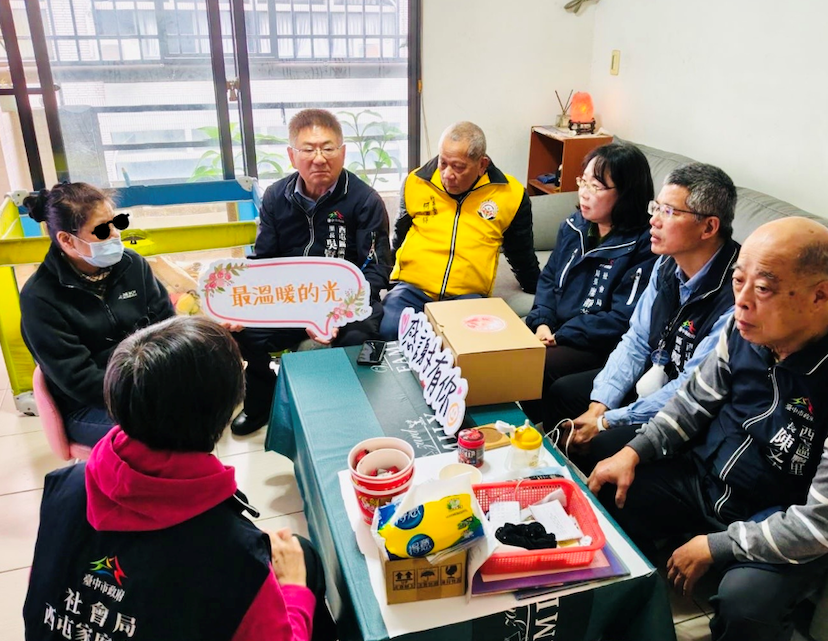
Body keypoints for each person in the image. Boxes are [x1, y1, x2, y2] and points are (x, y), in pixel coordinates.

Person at [588, 218, 828, 641]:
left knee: (748, 601)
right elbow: (691, 403)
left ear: (820, 295)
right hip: (704, 477)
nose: (743, 300)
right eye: (738, 281)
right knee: (607, 475)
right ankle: (617, 621)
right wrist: (632, 452)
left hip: (774, 514)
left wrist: (716, 546)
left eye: (765, 288)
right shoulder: (742, 329)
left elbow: (824, 526)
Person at [23, 316, 337, 641]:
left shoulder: (62, 485)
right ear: (227, 409)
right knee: (302, 558)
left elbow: (42, 595)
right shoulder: (233, 552)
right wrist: (294, 588)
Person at [545, 163, 739, 470]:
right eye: (656, 207)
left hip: (691, 408)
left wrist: (608, 421)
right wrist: (599, 406)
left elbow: (691, 387)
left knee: (604, 442)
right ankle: (554, 480)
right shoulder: (666, 263)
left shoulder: (736, 293)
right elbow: (636, 339)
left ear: (709, 227)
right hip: (653, 376)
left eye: (669, 212)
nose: (654, 220)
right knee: (564, 394)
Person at [230, 108, 391, 435]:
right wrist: (243, 305)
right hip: (292, 299)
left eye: (328, 148)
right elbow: (263, 260)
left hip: (346, 302)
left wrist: (334, 314)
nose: (319, 158)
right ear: (292, 156)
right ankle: (262, 400)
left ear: (342, 152)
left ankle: (351, 410)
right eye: (308, 149)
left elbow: (376, 269)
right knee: (243, 332)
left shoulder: (365, 201)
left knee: (361, 336)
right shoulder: (276, 196)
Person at [20, 182, 174, 447]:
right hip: (90, 405)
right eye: (102, 230)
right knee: (164, 432)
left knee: (204, 405)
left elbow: (168, 325)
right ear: (67, 240)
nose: (115, 235)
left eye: (117, 223)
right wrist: (145, 394)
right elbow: (79, 380)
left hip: (148, 382)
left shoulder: (133, 265)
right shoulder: (40, 297)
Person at [520, 142, 657, 423]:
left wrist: (562, 335)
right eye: (583, 181)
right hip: (558, 330)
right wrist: (542, 322)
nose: (584, 193)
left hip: (598, 342)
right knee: (503, 349)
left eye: (596, 186)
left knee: (535, 364)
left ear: (626, 193)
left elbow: (622, 318)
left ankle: (537, 436)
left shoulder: (645, 245)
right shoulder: (575, 226)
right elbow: (549, 279)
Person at [379, 121, 541, 340]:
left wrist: (539, 290)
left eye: (458, 167)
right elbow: (399, 237)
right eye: (443, 163)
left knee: (467, 342)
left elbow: (520, 251)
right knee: (389, 330)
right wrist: (387, 278)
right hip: (412, 289)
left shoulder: (511, 194)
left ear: (482, 165)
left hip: (467, 296)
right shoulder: (416, 182)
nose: (447, 174)